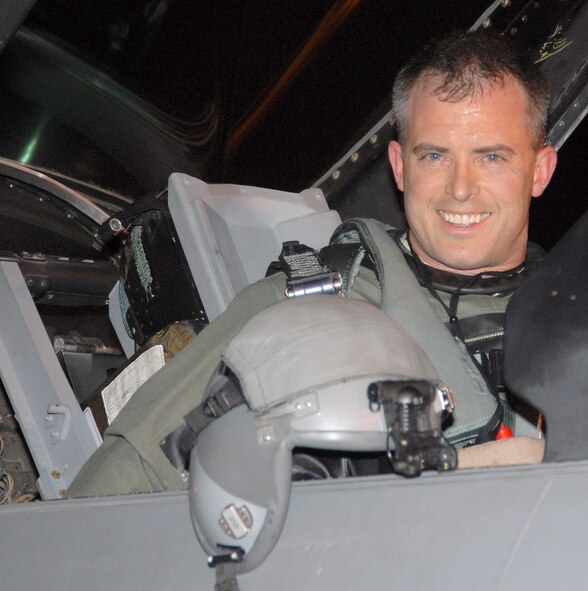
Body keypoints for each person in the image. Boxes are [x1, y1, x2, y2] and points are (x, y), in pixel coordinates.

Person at [68, 29, 557, 497]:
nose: (461, 187)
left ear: (539, 170)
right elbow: (119, 489)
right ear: (399, 166)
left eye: (491, 158)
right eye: (434, 156)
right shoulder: (304, 311)